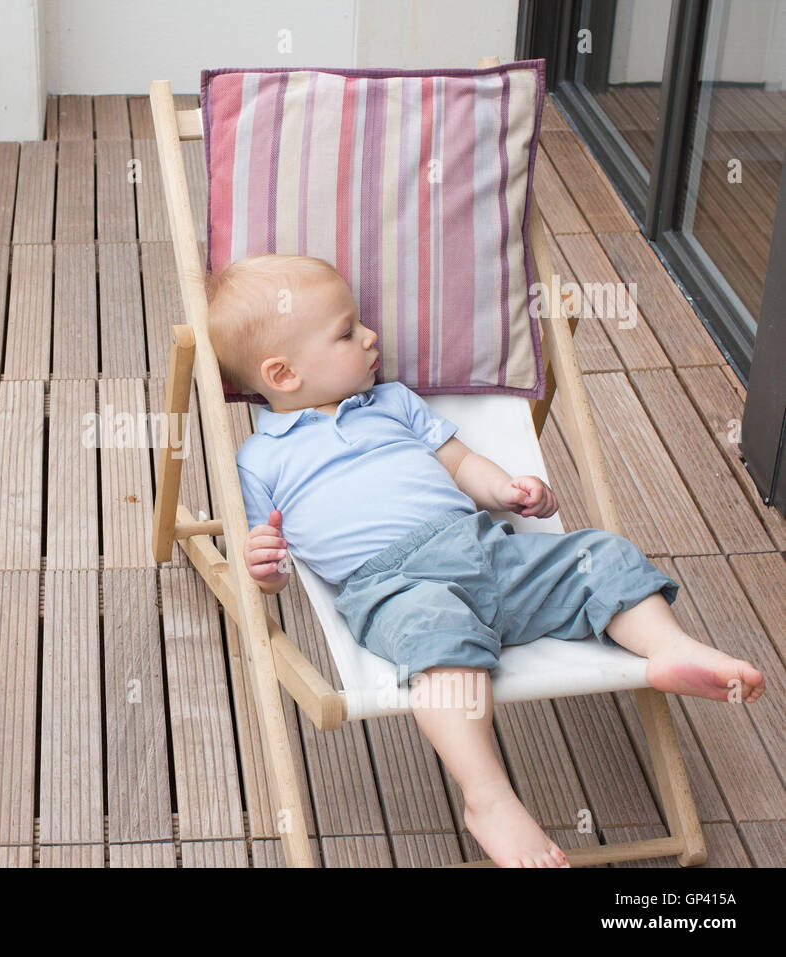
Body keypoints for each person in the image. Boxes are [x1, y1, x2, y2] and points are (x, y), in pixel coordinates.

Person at [205, 253, 766, 868]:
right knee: (440, 645)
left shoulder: (393, 402)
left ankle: (670, 649)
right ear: (282, 374)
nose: (371, 337)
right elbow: (269, 555)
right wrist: (263, 568)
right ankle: (489, 798)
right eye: (347, 332)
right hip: (395, 587)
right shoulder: (261, 459)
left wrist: (506, 489)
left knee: (600, 554)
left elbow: (460, 463)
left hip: (484, 547)